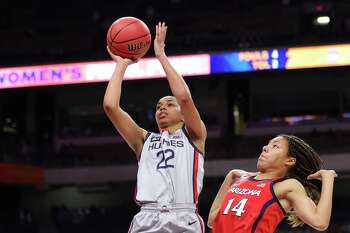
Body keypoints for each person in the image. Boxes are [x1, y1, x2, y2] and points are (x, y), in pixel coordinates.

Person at [103, 22, 207, 233]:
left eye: (169, 104)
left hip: (183, 217)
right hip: (147, 218)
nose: (162, 108)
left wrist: (161, 55)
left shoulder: (194, 135)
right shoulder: (144, 139)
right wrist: (121, 65)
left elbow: (185, 97)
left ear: (182, 113)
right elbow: (110, 106)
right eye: (159, 106)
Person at [208, 134, 337, 233]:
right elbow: (212, 221)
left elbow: (320, 222)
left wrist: (328, 179)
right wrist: (229, 176)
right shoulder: (239, 181)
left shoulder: (287, 186)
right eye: (268, 145)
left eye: (275, 146)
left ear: (290, 160)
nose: (265, 148)